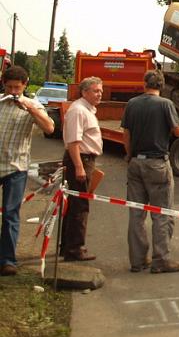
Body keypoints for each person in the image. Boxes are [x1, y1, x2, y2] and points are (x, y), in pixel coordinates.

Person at [120, 70, 179, 274]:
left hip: (135, 163)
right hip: (157, 164)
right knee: (162, 214)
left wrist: (130, 156)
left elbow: (126, 134)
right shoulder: (166, 105)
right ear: (162, 86)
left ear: (144, 84)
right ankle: (161, 260)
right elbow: (178, 132)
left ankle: (138, 261)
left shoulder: (132, 104)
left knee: (136, 214)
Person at [0, 66, 54, 276]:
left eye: (17, 87)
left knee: (10, 215)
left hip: (16, 168)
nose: (13, 91)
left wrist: (29, 109)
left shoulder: (32, 105)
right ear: (4, 84)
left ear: (25, 85)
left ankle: (7, 260)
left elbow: (49, 128)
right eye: (10, 87)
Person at [60, 76, 104, 262]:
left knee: (75, 205)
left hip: (85, 159)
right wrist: (79, 167)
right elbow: (73, 142)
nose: (99, 94)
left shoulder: (86, 110)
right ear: (84, 92)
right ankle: (75, 249)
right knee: (79, 206)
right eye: (95, 91)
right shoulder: (78, 111)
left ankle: (68, 246)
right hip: (80, 160)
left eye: (101, 90)